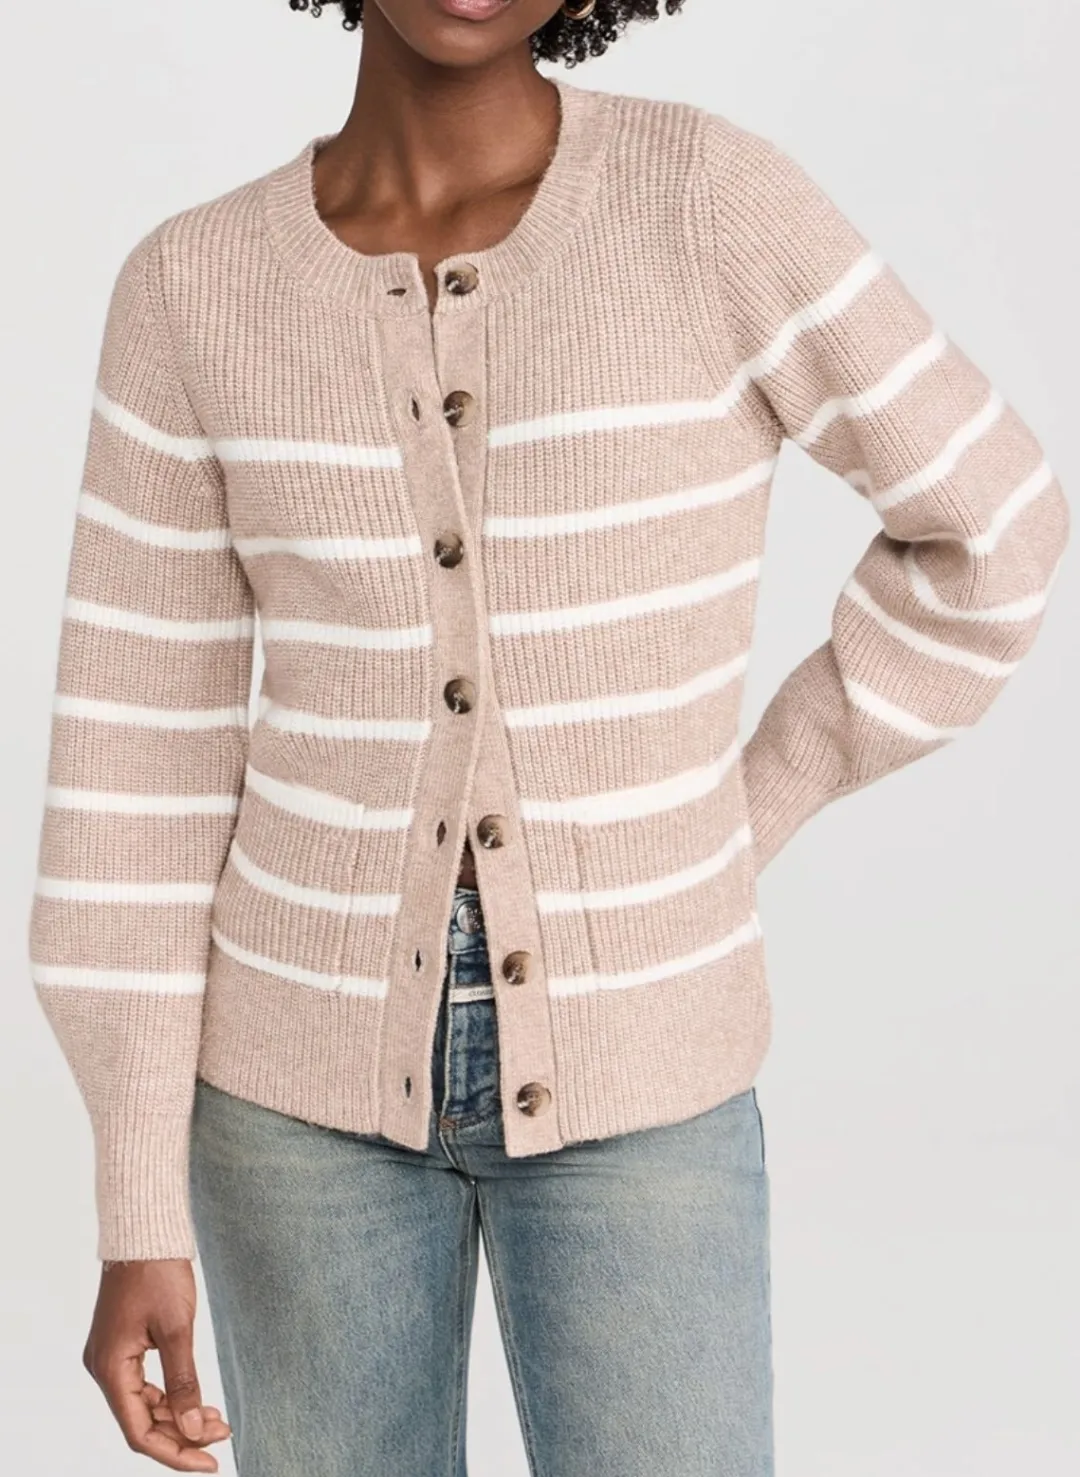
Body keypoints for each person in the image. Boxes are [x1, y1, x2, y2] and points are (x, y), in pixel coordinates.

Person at [28, 0, 1069, 1472]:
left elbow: (993, 530)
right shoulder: (193, 285)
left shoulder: (710, 205)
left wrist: (740, 813)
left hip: (648, 1077)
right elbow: (136, 760)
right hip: (289, 1109)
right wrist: (138, 1206)